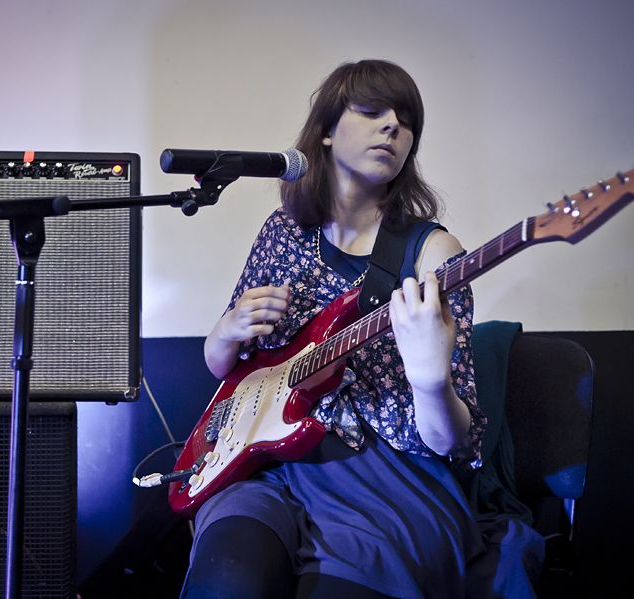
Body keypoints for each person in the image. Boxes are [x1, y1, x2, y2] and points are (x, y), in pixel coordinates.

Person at [179, 59, 544, 599]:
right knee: (225, 580)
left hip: (385, 479)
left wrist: (430, 379)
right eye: (373, 112)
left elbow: (452, 440)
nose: (393, 126)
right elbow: (225, 369)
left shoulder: (433, 254)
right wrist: (228, 329)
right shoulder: (283, 232)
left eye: (406, 120)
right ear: (326, 131)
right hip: (270, 464)